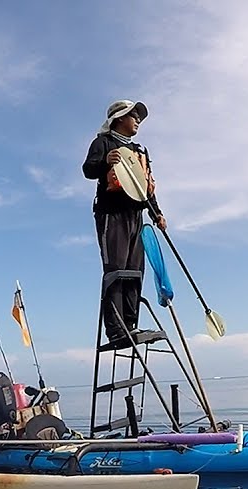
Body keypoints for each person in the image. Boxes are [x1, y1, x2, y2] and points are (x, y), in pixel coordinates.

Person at [82, 99, 167, 347]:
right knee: (116, 270)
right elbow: (88, 169)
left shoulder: (140, 151)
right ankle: (116, 330)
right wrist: (105, 160)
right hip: (112, 213)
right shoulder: (103, 143)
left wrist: (157, 213)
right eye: (133, 116)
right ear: (119, 119)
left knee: (135, 271)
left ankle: (131, 324)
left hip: (136, 215)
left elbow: (145, 185)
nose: (138, 120)